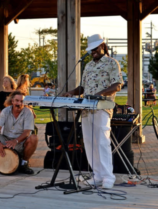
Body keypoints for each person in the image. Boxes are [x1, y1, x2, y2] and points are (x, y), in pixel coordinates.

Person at [63, 34, 123, 189]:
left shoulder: (112, 63)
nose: (92, 52)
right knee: (90, 143)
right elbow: (82, 87)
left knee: (102, 142)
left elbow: (117, 85)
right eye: (90, 50)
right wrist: (71, 92)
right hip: (86, 109)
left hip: (102, 108)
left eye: (95, 49)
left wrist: (99, 94)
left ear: (102, 46)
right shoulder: (88, 66)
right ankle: (97, 176)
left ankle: (108, 177)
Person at [0, 91, 38, 174]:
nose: (19, 103)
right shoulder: (5, 111)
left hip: (20, 141)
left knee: (34, 138)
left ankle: (24, 164)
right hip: (5, 139)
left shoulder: (28, 112)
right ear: (12, 101)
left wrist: (15, 141)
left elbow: (27, 132)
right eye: (17, 101)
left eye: (21, 101)